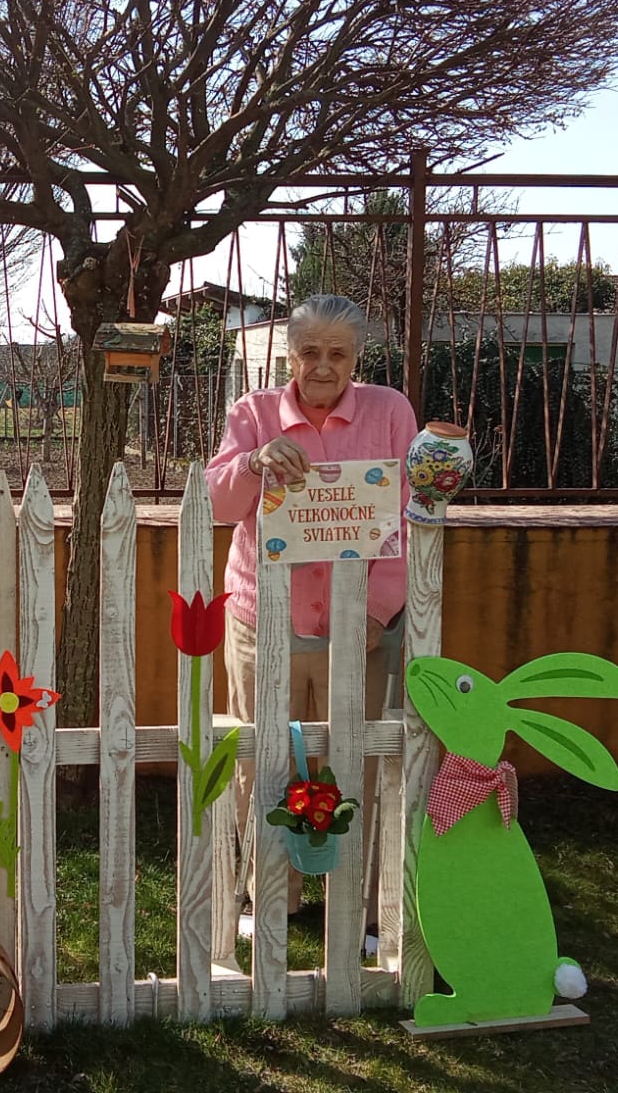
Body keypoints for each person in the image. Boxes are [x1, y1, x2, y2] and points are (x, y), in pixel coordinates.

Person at [205, 293, 418, 916]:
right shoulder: (253, 412)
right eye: (310, 352)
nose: (323, 366)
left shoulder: (389, 411)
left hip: (358, 628)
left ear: (356, 357)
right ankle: (271, 895)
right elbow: (218, 504)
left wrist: (377, 609)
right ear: (289, 355)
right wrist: (254, 461)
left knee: (354, 763)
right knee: (262, 761)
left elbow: (409, 516)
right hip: (263, 621)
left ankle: (358, 902)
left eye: (338, 354)